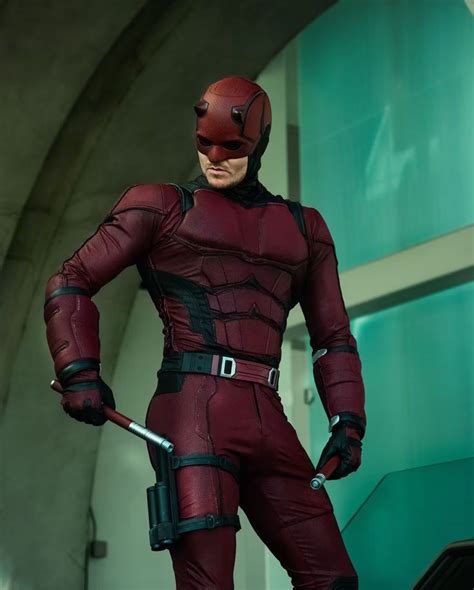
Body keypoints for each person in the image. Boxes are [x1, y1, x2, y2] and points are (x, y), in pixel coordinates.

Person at [44, 76, 366, 590]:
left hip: (266, 413)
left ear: (258, 142)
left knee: (333, 579)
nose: (214, 158)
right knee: (208, 583)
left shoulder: (306, 229)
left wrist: (348, 421)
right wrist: (79, 369)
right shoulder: (159, 207)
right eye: (204, 143)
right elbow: (71, 279)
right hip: (192, 410)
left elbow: (334, 337)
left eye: (232, 146)